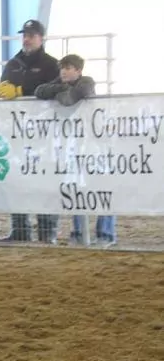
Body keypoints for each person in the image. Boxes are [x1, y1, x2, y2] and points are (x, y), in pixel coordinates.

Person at [34, 54, 115, 246]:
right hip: (74, 145)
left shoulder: (87, 82)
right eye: (62, 68)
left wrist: (58, 92)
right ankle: (79, 233)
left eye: (68, 68)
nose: (63, 71)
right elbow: (39, 90)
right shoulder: (61, 83)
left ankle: (105, 234)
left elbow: (68, 100)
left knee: (102, 188)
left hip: (94, 144)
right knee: (76, 189)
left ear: (78, 71)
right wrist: (61, 89)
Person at [0, 19, 61, 244]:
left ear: (42, 38)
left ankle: (47, 230)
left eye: (31, 35)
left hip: (44, 131)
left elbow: (54, 88)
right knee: (16, 179)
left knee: (44, 179)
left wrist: (22, 90)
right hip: (16, 130)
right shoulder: (13, 63)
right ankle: (20, 229)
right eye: (25, 35)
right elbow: (3, 86)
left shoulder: (52, 65)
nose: (27, 39)